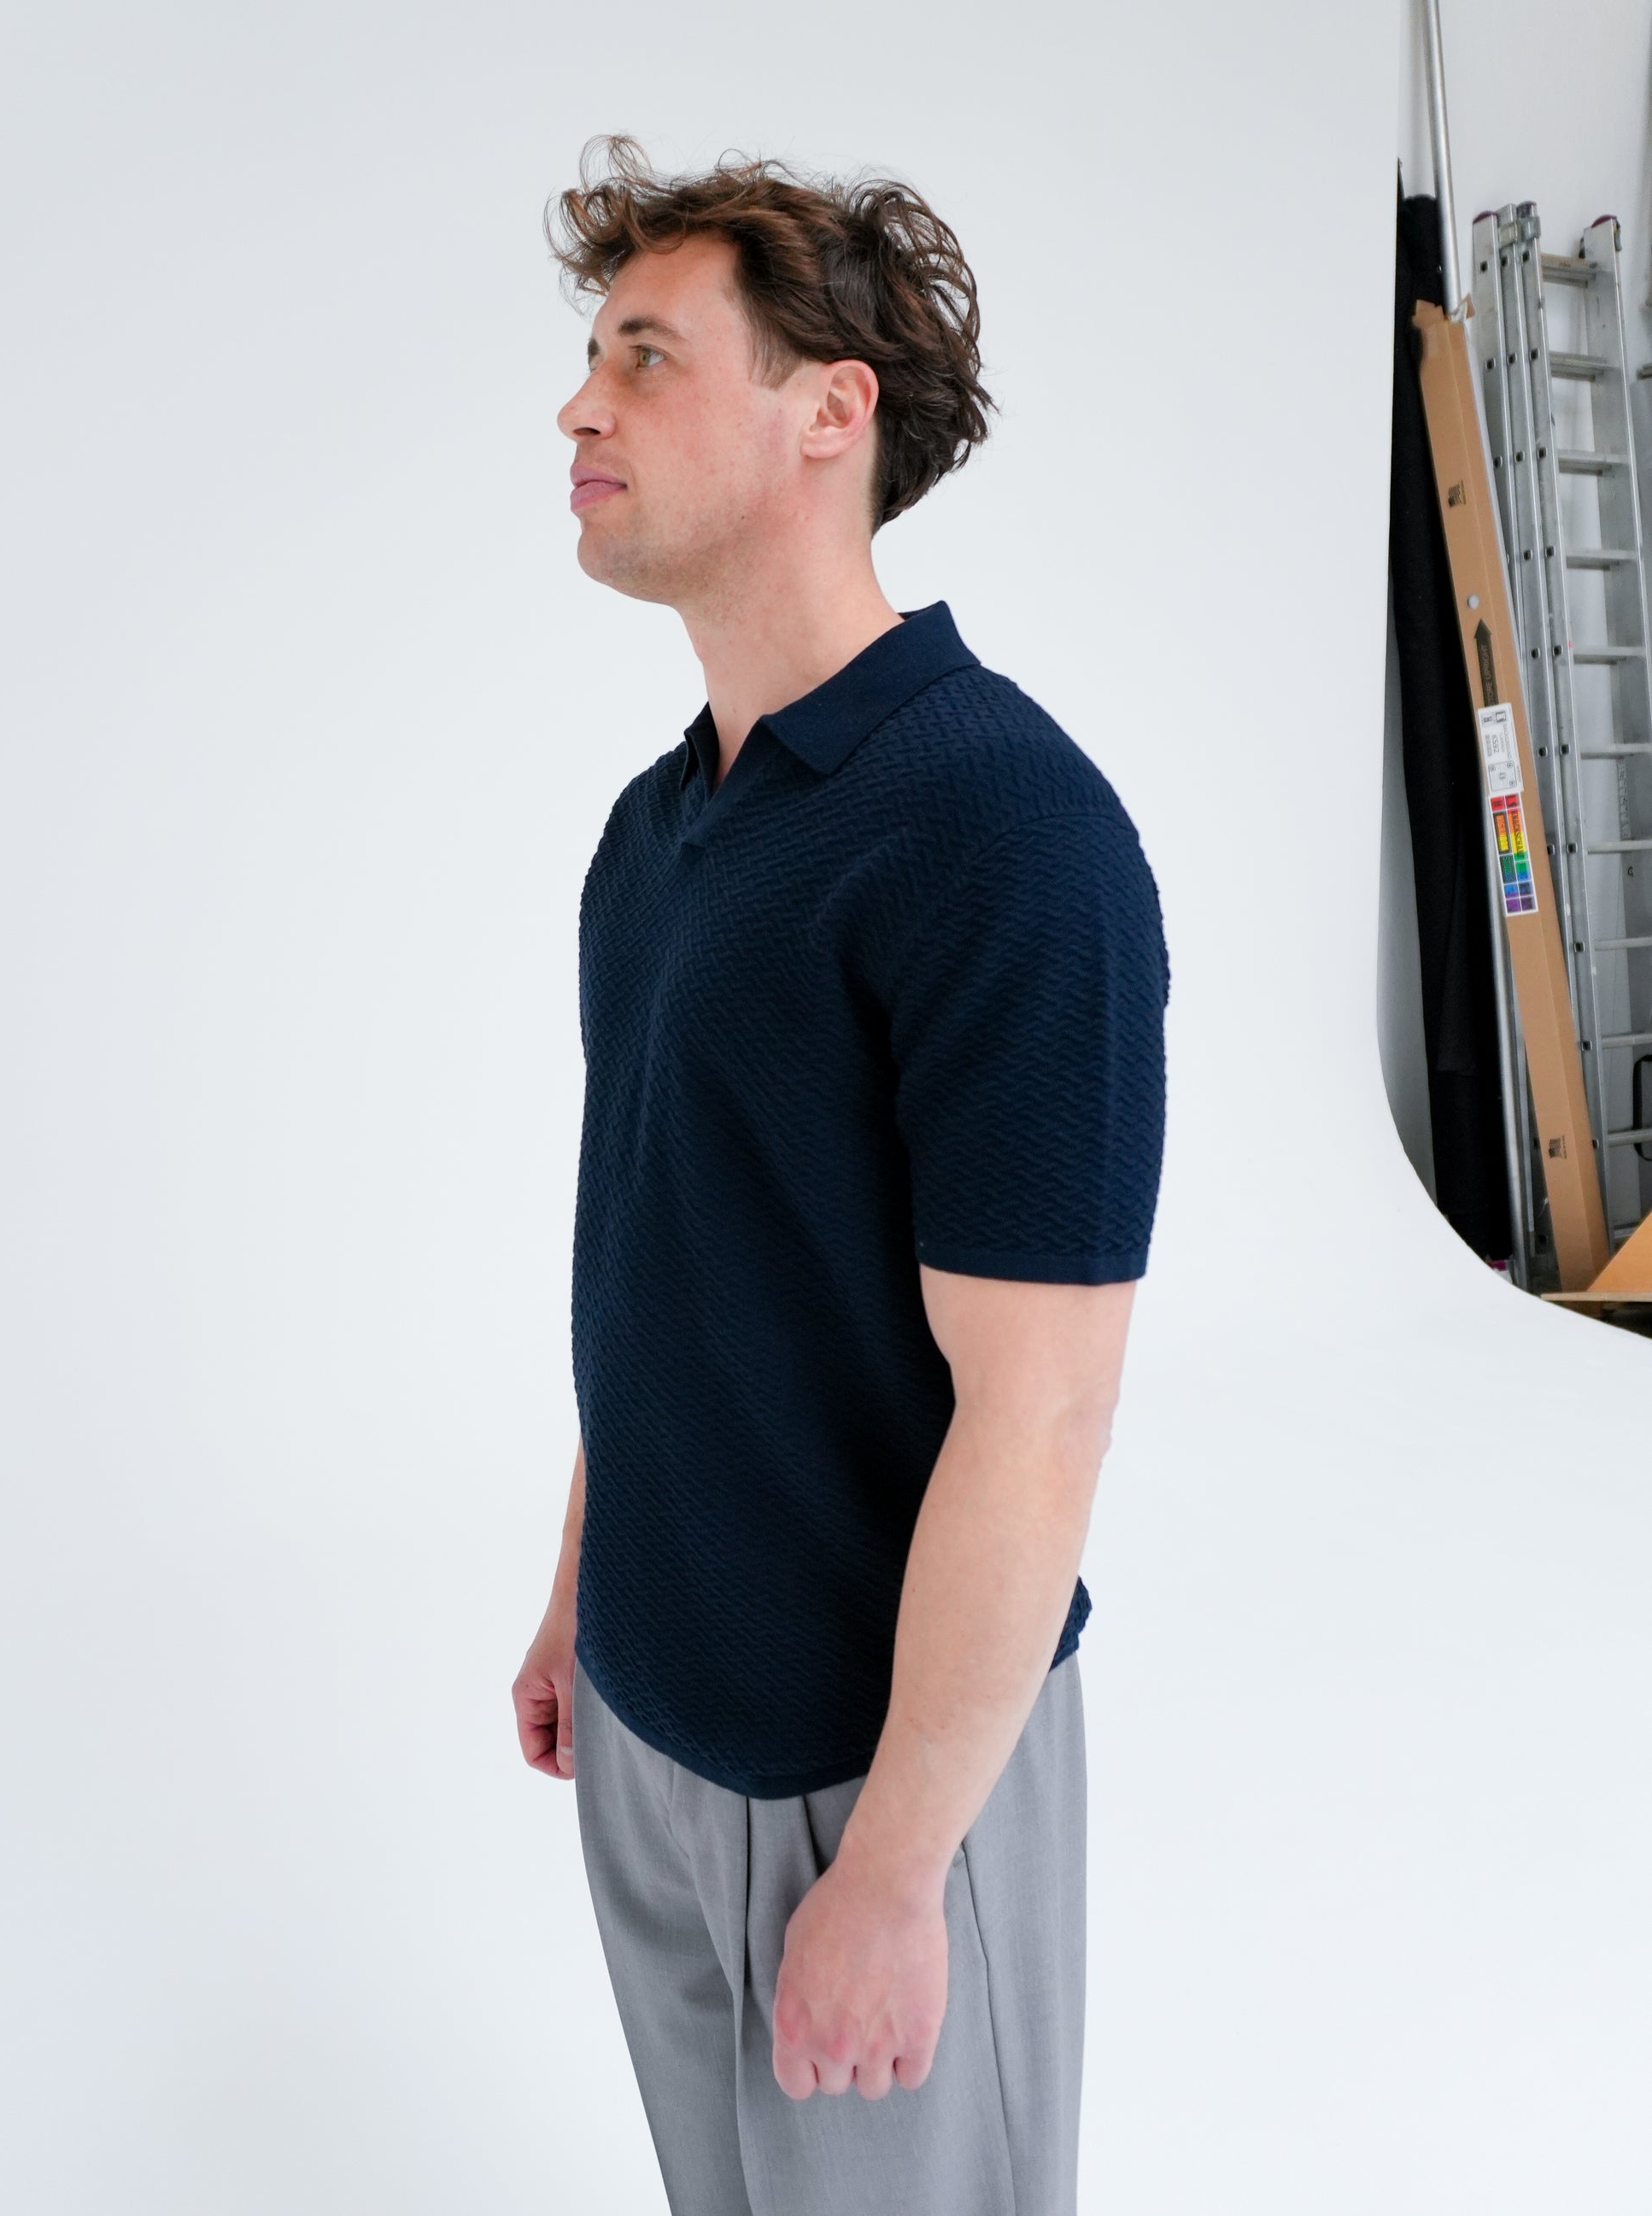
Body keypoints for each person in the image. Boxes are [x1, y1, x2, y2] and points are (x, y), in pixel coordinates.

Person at [512, 136, 1169, 2216]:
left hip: (875, 1781)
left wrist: (893, 1874)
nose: (578, 404)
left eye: (645, 354)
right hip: (649, 1728)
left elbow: (1040, 1411)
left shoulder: (1000, 829)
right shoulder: (660, 832)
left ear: (829, 410)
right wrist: (581, 1597)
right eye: (589, 357)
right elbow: (664, 1265)